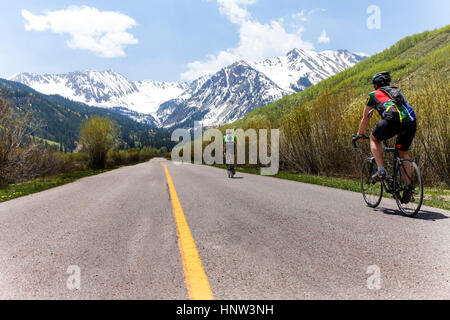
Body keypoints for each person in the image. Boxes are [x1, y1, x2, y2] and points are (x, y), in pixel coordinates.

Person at [354, 72, 417, 203]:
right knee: (403, 153)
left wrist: (360, 134)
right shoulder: (396, 92)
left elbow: (365, 117)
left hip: (392, 121)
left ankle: (381, 170)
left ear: (375, 85)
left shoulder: (372, 95)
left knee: (374, 138)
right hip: (410, 122)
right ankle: (408, 186)